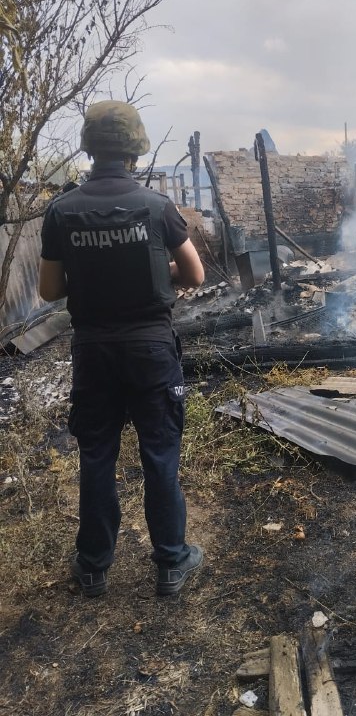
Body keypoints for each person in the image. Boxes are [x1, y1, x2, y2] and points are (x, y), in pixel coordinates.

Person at [38, 101, 205, 597]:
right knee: (159, 454)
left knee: (96, 455)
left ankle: (92, 567)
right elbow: (194, 274)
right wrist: (155, 276)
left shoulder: (61, 211)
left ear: (88, 148)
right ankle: (171, 565)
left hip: (94, 352)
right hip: (151, 350)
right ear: (136, 148)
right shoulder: (157, 207)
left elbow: (49, 291)